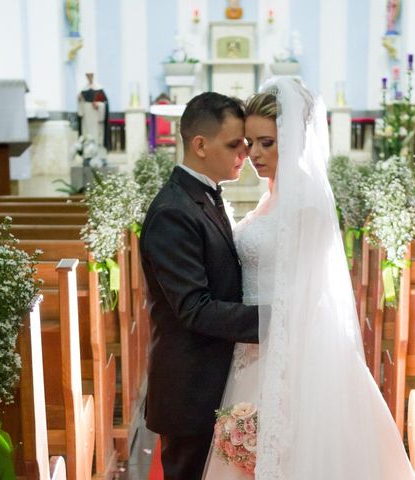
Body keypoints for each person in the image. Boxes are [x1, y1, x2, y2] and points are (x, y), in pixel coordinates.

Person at [203, 78, 415, 479]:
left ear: (296, 137)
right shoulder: (270, 198)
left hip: (292, 356)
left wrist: (277, 378)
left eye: (267, 142)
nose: (254, 154)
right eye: (250, 143)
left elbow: (307, 299)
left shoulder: (308, 209)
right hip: (249, 351)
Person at [139, 92, 259, 480]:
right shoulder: (174, 211)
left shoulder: (201, 196)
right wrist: (277, 320)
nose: (244, 154)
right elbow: (195, 308)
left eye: (246, 144)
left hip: (213, 379)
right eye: (233, 145)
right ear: (200, 145)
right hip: (190, 388)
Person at [77, 72, 111, 156]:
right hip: (86, 119)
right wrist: (80, 100)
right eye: (87, 76)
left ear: (93, 76)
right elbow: (80, 108)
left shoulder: (99, 89)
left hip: (96, 118)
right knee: (87, 135)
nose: (89, 77)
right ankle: (87, 155)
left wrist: (98, 105)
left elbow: (105, 104)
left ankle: (99, 154)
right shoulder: (83, 90)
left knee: (97, 135)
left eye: (90, 75)